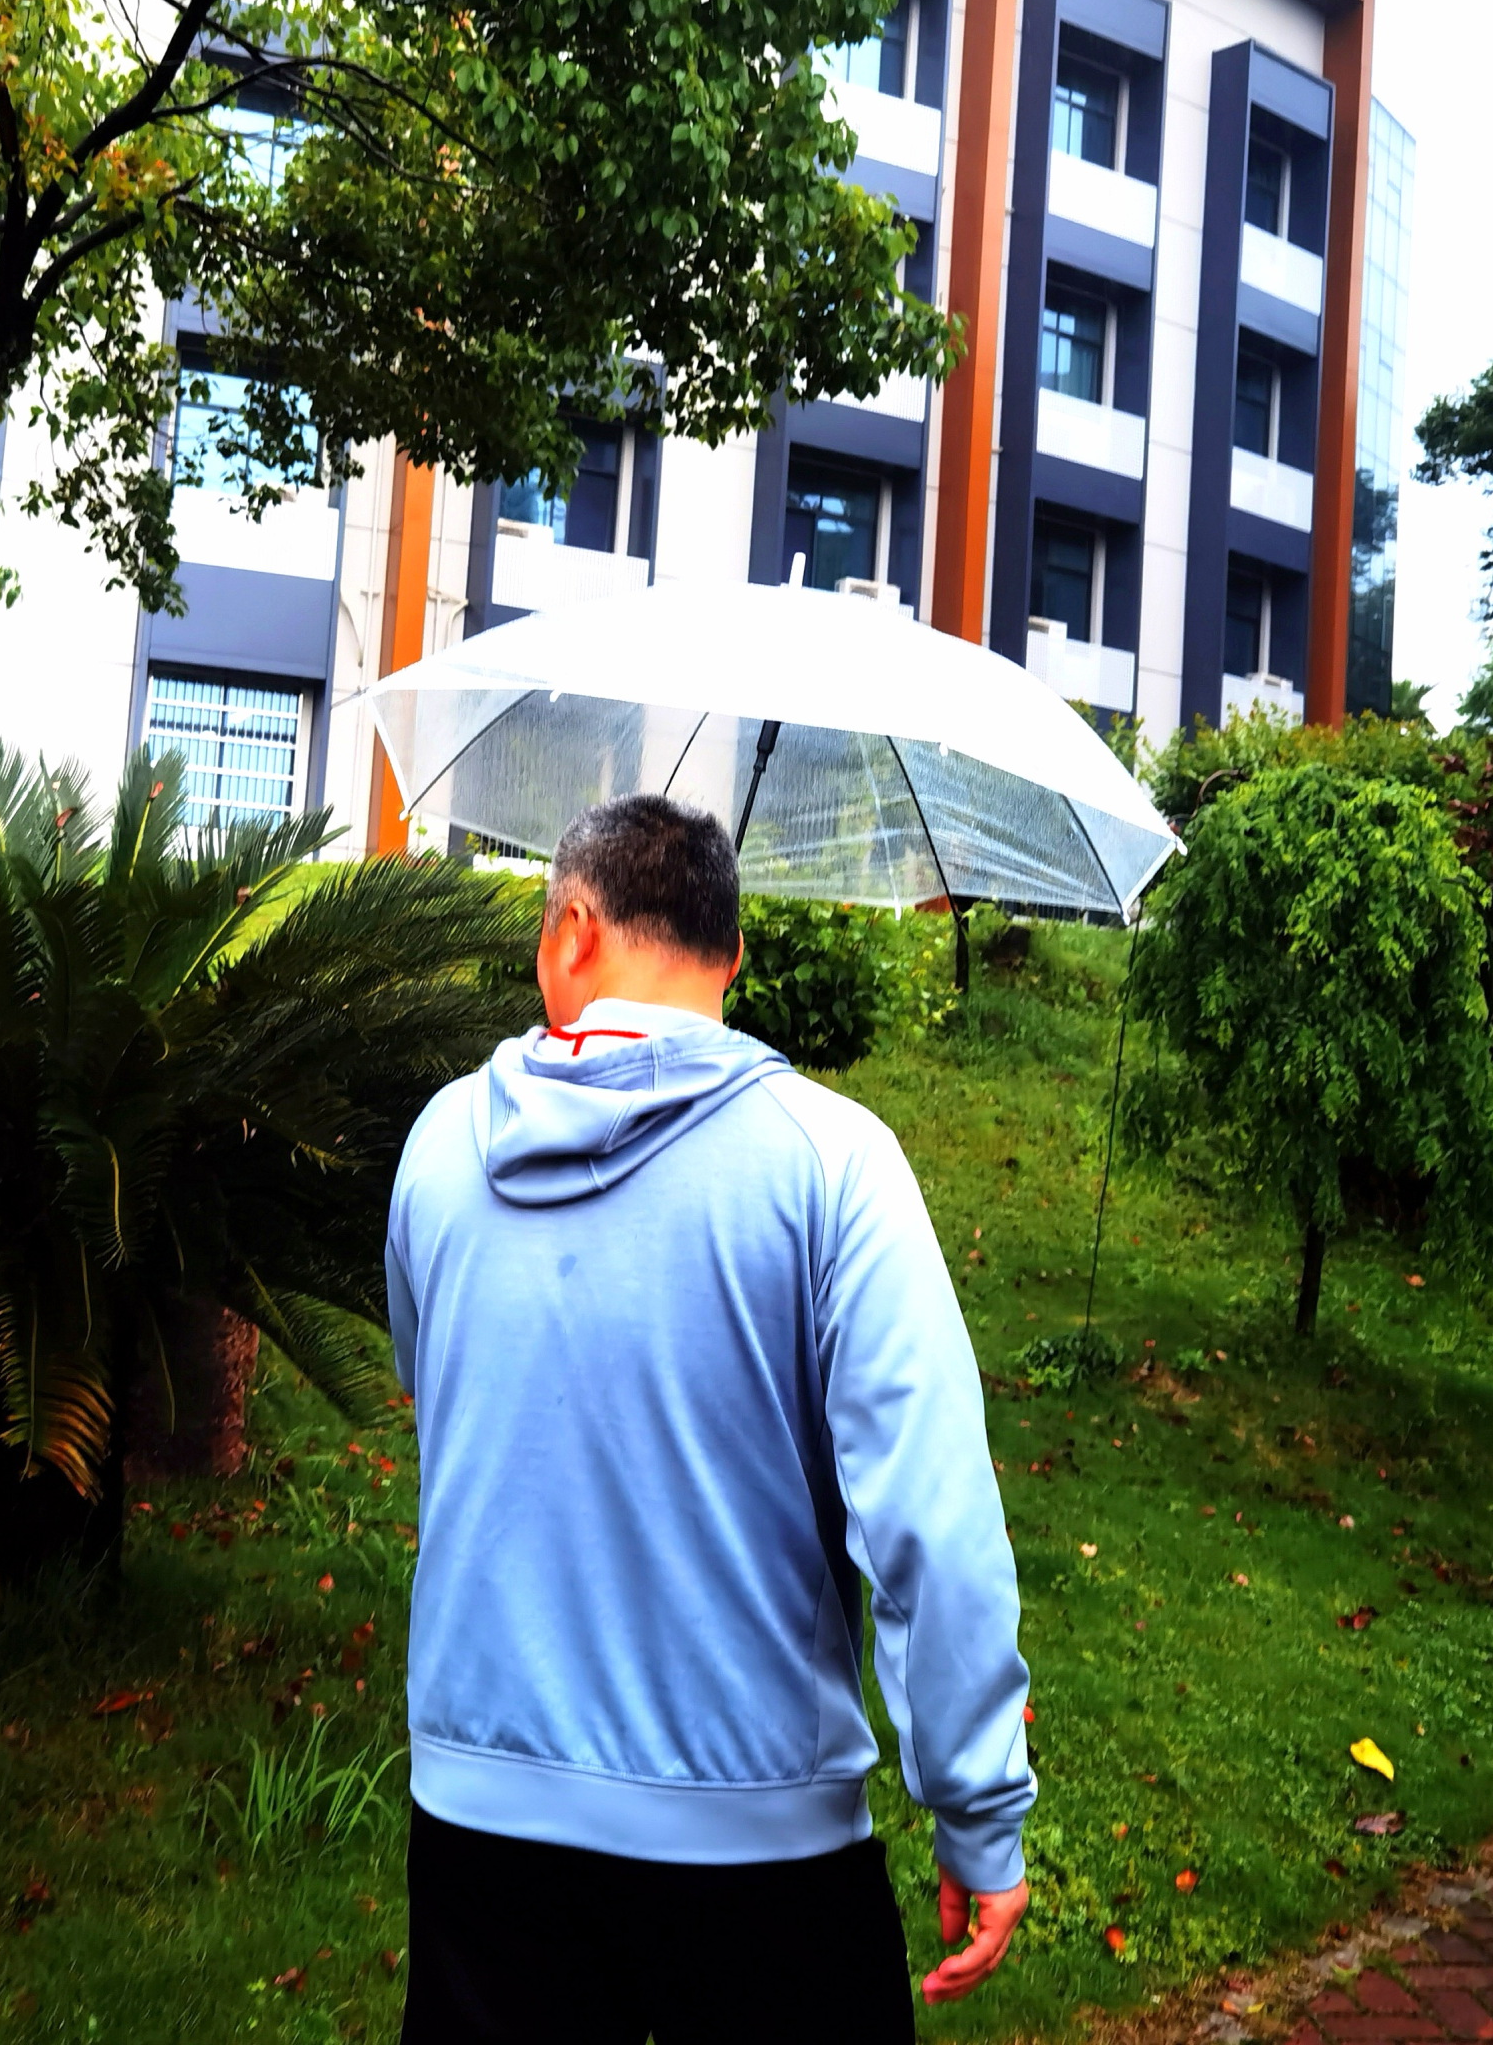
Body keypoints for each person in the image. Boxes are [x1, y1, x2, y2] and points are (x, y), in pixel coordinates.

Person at [385, 794, 1035, 2043]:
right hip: (762, 1848)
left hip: (482, 1834)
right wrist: (976, 1808)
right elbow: (931, 1525)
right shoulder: (834, 1162)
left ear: (570, 933)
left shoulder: (440, 1145)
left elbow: (435, 1389)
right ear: (729, 956)